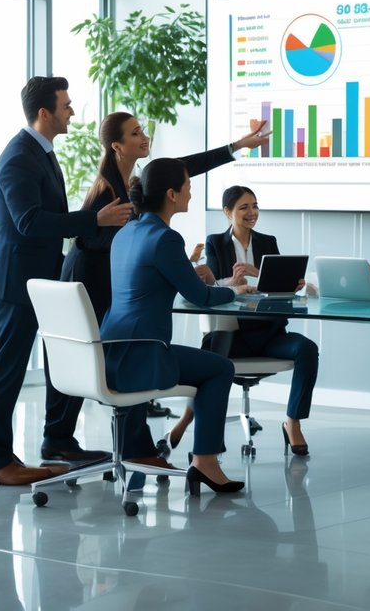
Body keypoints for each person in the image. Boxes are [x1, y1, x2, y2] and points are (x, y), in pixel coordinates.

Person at [59, 112, 268, 431]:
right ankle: (201, 452)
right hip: (92, 283)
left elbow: (183, 167)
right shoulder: (115, 197)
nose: (145, 137)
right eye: (135, 133)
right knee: (218, 368)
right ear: (116, 146)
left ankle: (135, 447)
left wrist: (236, 146)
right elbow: (86, 239)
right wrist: (230, 289)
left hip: (113, 330)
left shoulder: (132, 219)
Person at [0, 76, 133, 486]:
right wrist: (94, 219)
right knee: (3, 370)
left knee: (8, 369)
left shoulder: (39, 152)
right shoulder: (19, 157)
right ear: (44, 113)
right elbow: (28, 222)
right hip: (12, 279)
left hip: (30, 278)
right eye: (66, 106)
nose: (72, 112)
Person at [100, 157, 256, 494]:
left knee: (208, 364)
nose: (190, 192)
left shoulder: (126, 232)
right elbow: (201, 296)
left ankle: (139, 458)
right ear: (172, 194)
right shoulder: (165, 238)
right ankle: (205, 461)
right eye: (187, 186)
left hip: (109, 351)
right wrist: (234, 290)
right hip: (144, 354)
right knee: (220, 368)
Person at [176, 185, 319, 456]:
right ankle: (194, 423)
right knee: (209, 353)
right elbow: (212, 288)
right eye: (244, 207)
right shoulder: (216, 242)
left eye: (255, 206)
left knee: (307, 349)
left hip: (269, 333)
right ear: (227, 212)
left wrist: (279, 280)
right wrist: (234, 283)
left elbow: (279, 286)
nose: (252, 212)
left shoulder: (268, 242)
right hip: (234, 335)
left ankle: (293, 422)